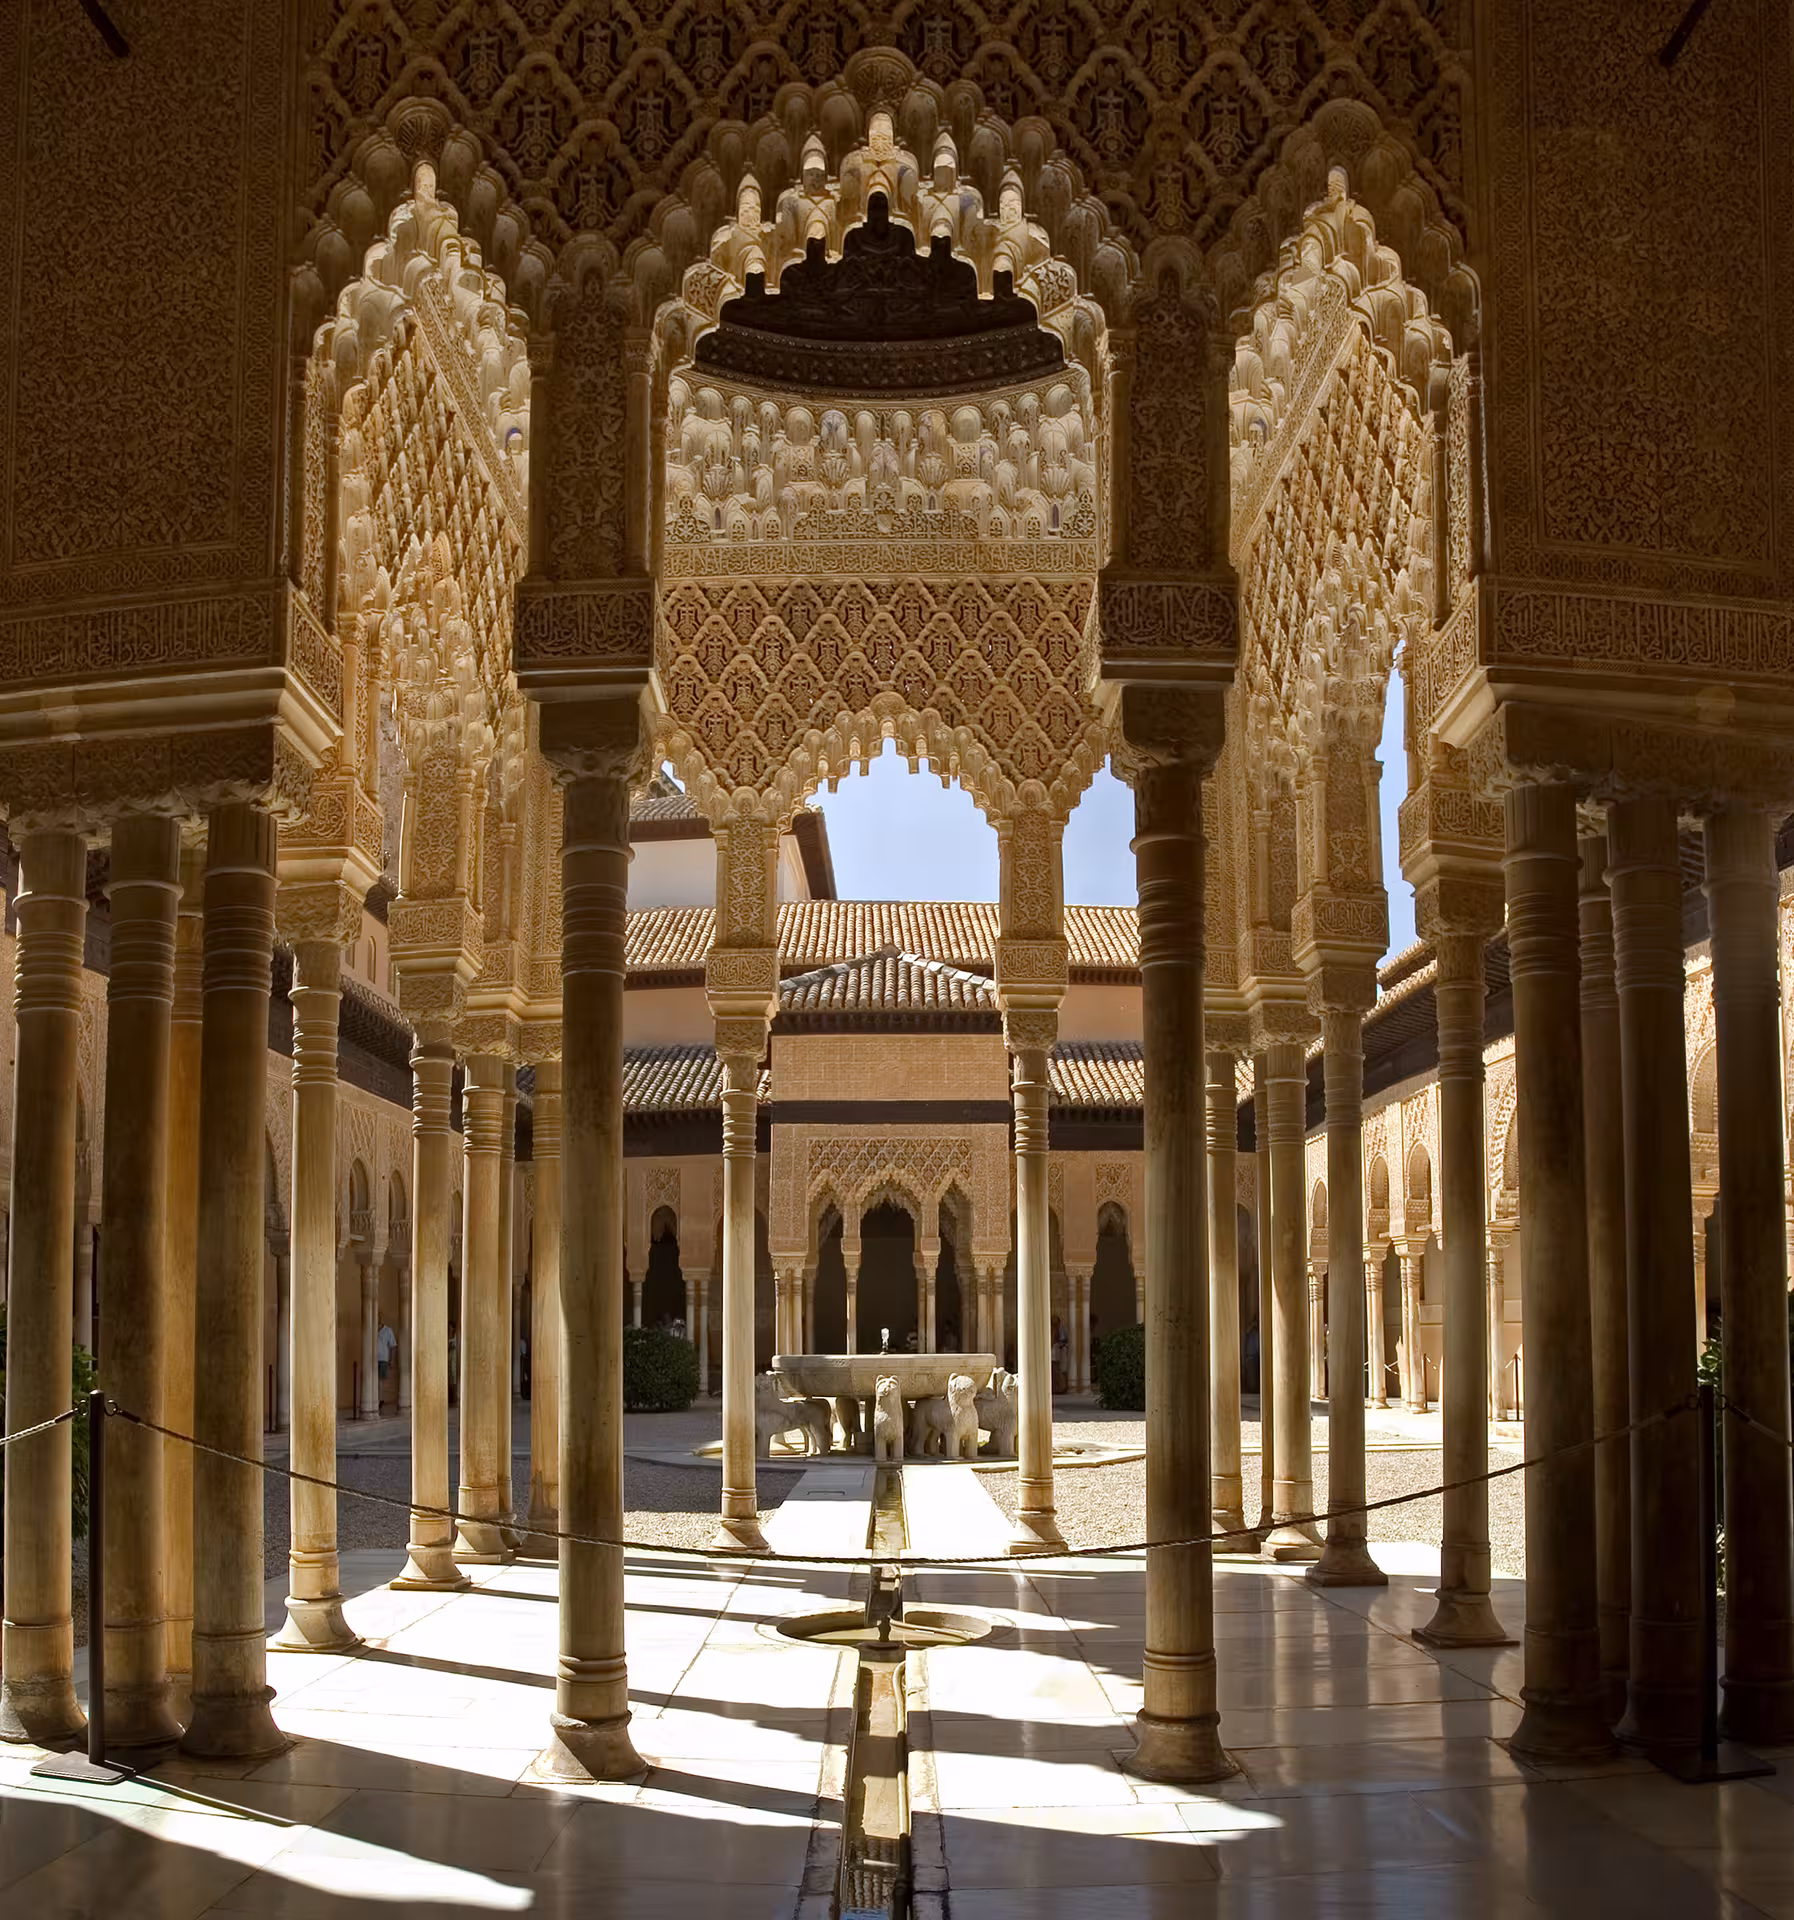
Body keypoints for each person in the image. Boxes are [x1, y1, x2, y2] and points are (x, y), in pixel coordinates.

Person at [376, 1320, 397, 1408]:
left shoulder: (388, 1330)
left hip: (383, 1359)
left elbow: (393, 1346)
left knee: (380, 1381)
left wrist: (392, 1360)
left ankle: (380, 1400)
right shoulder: (372, 1329)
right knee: (371, 1380)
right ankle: (374, 1400)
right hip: (371, 1359)